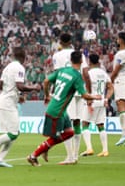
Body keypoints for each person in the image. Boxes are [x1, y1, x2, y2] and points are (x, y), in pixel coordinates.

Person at [26, 51, 101, 166]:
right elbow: (85, 95)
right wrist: (95, 97)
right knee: (58, 136)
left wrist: (47, 96)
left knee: (69, 132)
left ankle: (45, 150)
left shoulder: (62, 70)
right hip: (57, 111)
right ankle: (33, 155)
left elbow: (46, 81)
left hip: (61, 110)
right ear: (81, 61)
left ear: (71, 60)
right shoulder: (77, 76)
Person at [0, 47, 41, 168]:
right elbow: (20, 86)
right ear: (24, 57)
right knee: (13, 134)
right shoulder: (20, 68)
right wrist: (34, 88)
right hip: (7, 104)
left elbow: (1, 85)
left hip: (3, 101)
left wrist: (17, 95)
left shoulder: (7, 67)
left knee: (13, 133)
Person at [52, 33, 89, 165]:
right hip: (79, 90)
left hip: (66, 92)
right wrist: (86, 91)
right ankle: (75, 156)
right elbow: (85, 72)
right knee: (77, 122)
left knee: (65, 123)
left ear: (60, 42)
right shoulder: (79, 54)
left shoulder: (57, 55)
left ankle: (70, 156)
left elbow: (57, 75)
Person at [80, 54, 114, 157]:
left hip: (92, 100)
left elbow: (86, 87)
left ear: (89, 62)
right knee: (100, 125)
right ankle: (105, 150)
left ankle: (89, 148)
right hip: (102, 101)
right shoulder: (103, 73)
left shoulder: (88, 74)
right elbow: (111, 87)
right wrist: (107, 98)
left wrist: (88, 100)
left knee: (85, 124)